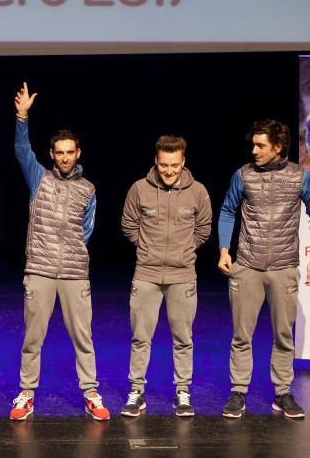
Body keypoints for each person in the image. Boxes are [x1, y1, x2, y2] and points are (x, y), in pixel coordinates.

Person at [8, 83, 110, 422]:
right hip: (39, 270)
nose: (64, 157)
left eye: (70, 151)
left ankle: (91, 392)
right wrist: (22, 117)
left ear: (78, 152)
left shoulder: (88, 189)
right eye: (59, 152)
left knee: (83, 336)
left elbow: (87, 230)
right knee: (33, 336)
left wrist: (71, 253)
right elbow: (22, 150)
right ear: (52, 154)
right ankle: (26, 393)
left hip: (74, 273)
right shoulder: (40, 178)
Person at [218, 119, 310, 419]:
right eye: (253, 144)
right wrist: (224, 249)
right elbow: (228, 210)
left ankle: (283, 392)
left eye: (260, 145)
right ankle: (238, 391)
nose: (254, 150)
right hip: (247, 266)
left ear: (278, 147)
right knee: (241, 334)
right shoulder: (243, 175)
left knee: (283, 335)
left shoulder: (299, 177)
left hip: (284, 267)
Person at [119, 135, 212, 417]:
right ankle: (137, 391)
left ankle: (182, 391)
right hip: (146, 274)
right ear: (156, 162)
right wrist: (147, 249)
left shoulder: (198, 192)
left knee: (183, 337)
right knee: (140, 337)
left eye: (174, 165)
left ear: (183, 161)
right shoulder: (139, 189)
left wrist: (183, 252)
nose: (169, 171)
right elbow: (128, 225)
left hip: (183, 276)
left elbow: (203, 228)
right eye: (163, 165)